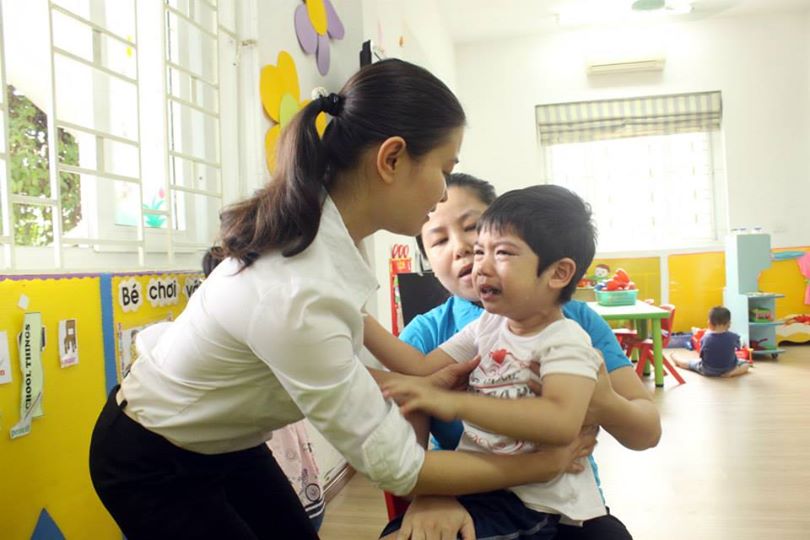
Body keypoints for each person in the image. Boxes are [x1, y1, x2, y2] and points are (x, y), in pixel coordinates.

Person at [87, 59, 596, 540]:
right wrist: (544, 463)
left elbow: (326, 363)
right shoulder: (298, 291)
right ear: (392, 159)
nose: (442, 192)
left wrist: (411, 384)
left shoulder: (324, 243)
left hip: (226, 440)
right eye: (444, 168)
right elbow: (400, 468)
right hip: (152, 455)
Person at [369, 174, 661, 540]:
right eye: (439, 240)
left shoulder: (573, 329)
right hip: (459, 492)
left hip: (550, 505)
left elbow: (642, 432)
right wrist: (354, 316)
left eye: (474, 230)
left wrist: (603, 403)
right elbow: (413, 378)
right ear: (427, 258)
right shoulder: (460, 328)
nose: (464, 250)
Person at [202, 246, 326, 531]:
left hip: (278, 438)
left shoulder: (269, 320)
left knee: (300, 510)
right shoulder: (230, 327)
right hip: (253, 442)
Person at [673, 306, 750, 377]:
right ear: (729, 324)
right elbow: (738, 347)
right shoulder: (734, 337)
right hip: (728, 368)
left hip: (707, 370)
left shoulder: (705, 338)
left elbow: (702, 354)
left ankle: (677, 360)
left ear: (709, 324)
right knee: (746, 364)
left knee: (691, 363)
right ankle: (731, 373)